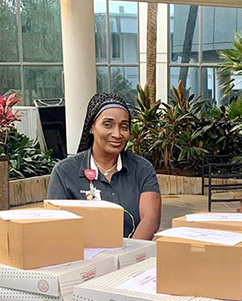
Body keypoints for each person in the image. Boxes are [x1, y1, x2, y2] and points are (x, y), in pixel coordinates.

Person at [47, 93, 161, 240]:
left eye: (124, 127)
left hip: (134, 251)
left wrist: (129, 252)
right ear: (91, 127)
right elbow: (57, 225)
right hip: (81, 253)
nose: (117, 134)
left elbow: (151, 219)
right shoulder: (65, 172)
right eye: (108, 124)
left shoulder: (142, 169)